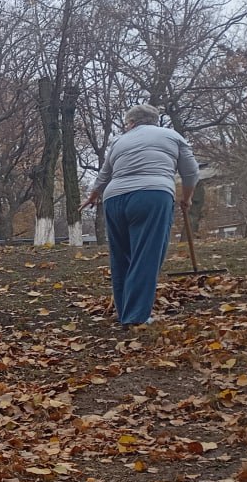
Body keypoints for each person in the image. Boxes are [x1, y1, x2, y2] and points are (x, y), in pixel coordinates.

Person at [83, 103, 200, 328]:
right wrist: (187, 198)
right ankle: (136, 317)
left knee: (121, 258)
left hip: (114, 199)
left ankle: (126, 312)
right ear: (154, 120)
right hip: (152, 195)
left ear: (132, 122)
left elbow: (104, 175)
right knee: (146, 255)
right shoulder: (172, 136)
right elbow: (191, 172)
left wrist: (92, 197)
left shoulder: (118, 141)